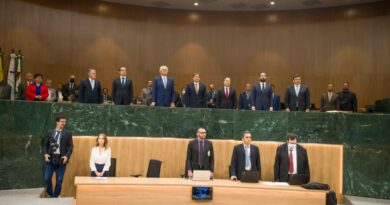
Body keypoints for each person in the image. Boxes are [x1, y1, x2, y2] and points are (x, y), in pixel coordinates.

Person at [43, 116, 73, 198]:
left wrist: (67, 156)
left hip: (61, 159)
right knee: (47, 178)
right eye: (61, 121)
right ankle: (50, 194)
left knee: (59, 180)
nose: (63, 123)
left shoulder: (68, 133)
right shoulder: (50, 132)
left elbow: (70, 147)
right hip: (50, 159)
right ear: (57, 122)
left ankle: (56, 195)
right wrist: (45, 154)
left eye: (64, 122)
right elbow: (45, 145)